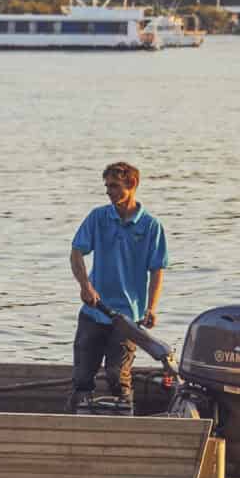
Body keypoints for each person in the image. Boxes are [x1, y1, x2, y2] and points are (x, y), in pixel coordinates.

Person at [67, 160, 168, 412]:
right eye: (107, 186)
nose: (109, 192)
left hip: (126, 318)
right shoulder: (98, 217)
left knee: (116, 375)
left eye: (114, 186)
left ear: (132, 184)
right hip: (93, 312)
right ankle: (77, 421)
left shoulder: (151, 227)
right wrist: (85, 286)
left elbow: (157, 270)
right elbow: (76, 252)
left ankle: (125, 418)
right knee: (82, 378)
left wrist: (151, 308)